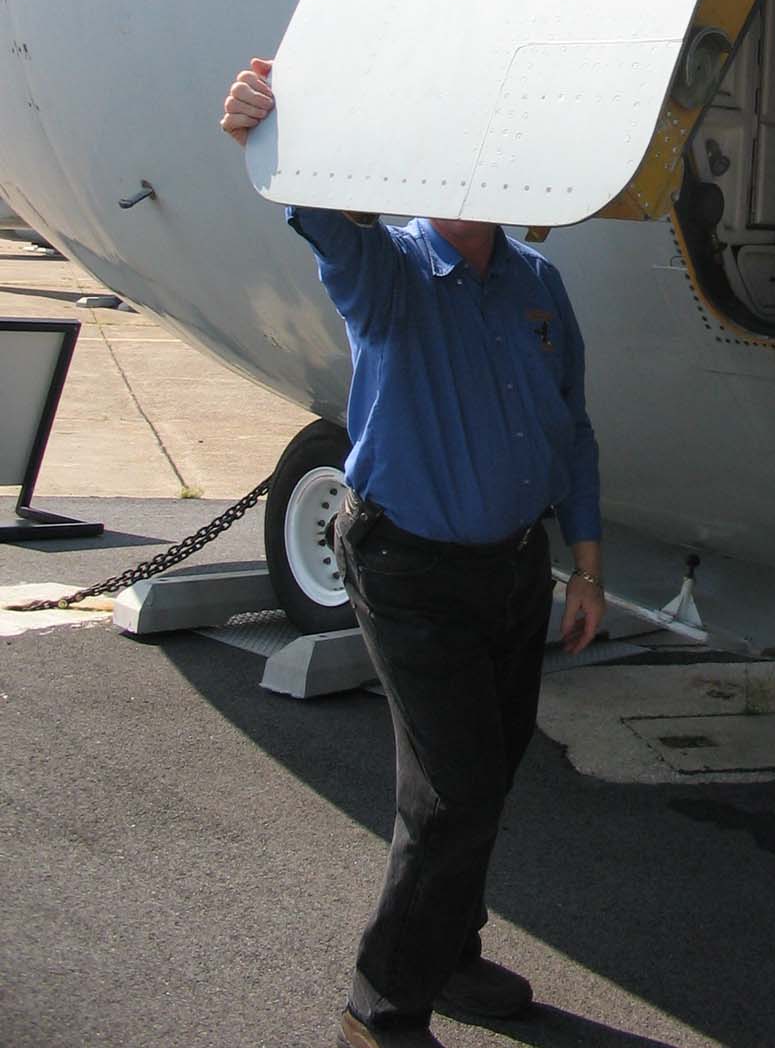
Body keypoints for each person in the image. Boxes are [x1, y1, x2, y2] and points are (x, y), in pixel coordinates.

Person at [221, 57, 605, 1048]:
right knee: (459, 792)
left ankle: (453, 953)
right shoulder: (389, 273)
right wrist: (273, 127)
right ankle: (379, 1010)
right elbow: (321, 216)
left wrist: (588, 565)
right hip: (411, 571)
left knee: (482, 770)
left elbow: (573, 428)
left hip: (516, 569)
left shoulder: (537, 285)